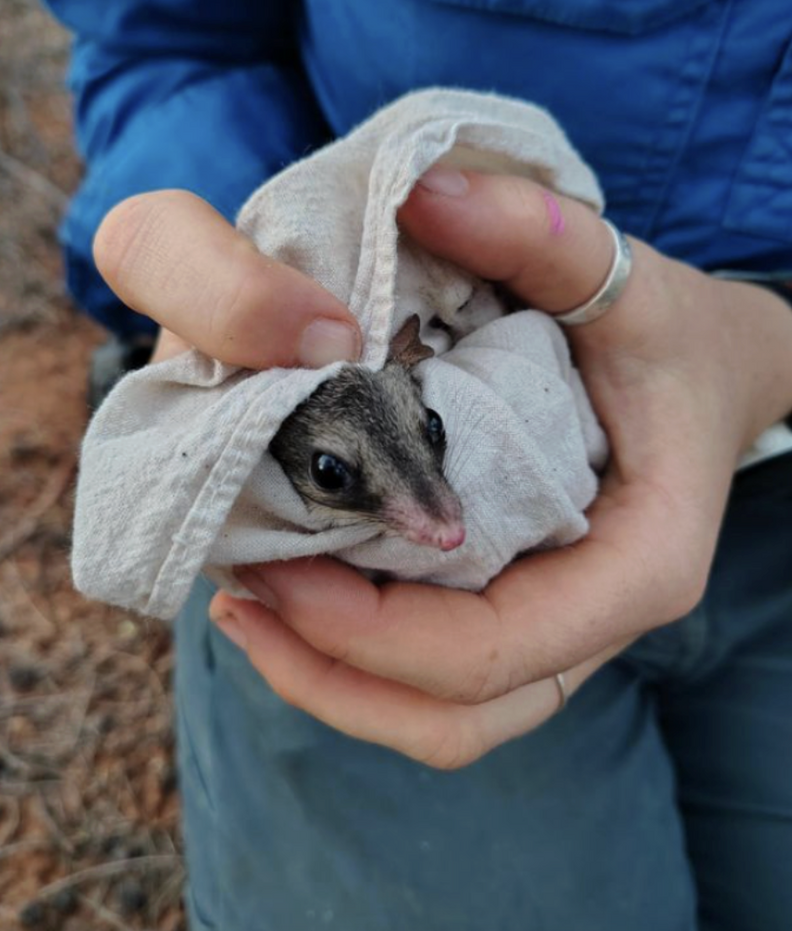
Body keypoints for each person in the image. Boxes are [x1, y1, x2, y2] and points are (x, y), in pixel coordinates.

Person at [47, 2, 792, 929]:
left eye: (433, 437)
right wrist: (230, 249)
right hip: (410, 608)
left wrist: (770, 351)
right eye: (336, 475)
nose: (446, 527)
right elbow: (167, 41)